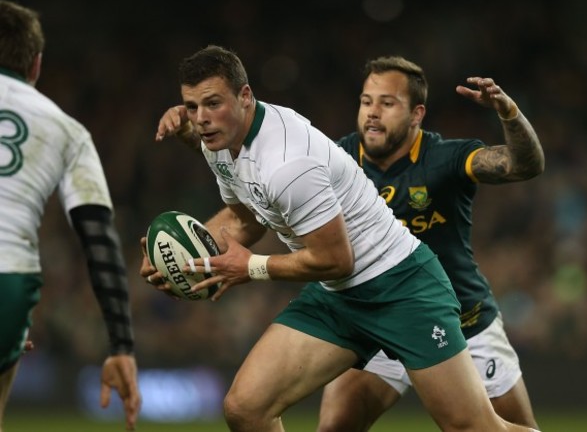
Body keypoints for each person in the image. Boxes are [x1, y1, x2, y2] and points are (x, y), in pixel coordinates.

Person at [144, 44, 540, 432]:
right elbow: (247, 218)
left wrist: (251, 267)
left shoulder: (288, 162)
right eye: (192, 107)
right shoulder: (220, 146)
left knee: (471, 427)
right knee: (246, 409)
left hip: (402, 288)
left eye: (213, 103)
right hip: (339, 295)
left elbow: (336, 259)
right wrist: (185, 258)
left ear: (245, 96)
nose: (201, 119)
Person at [317, 57, 543, 431]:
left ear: (416, 113)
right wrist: (202, 139)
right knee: (334, 427)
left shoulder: (445, 158)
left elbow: (524, 165)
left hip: (462, 322)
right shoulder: (337, 160)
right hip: (382, 321)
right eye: (366, 101)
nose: (372, 113)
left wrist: (510, 113)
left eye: (387, 103)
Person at [0, 0, 141, 431]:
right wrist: (121, 345)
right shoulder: (67, 130)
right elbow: (99, 241)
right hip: (9, 277)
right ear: (36, 65)